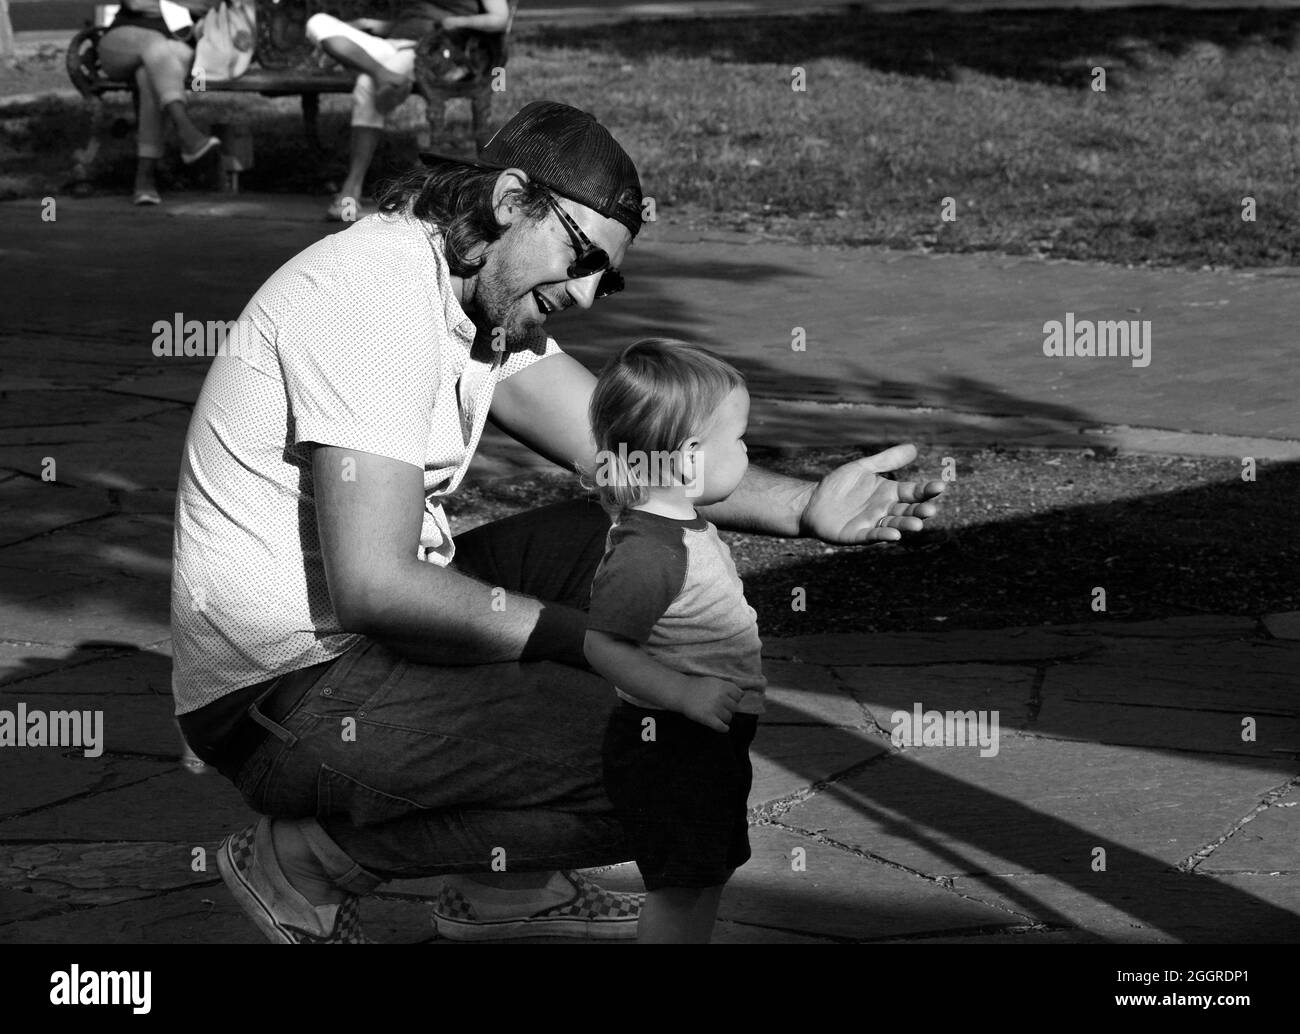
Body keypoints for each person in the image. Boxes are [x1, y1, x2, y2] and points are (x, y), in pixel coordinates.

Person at [170, 100, 946, 944]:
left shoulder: (475, 293)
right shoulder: (373, 297)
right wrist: (591, 647)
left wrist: (803, 504)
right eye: (580, 258)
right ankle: (309, 861)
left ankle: (504, 889)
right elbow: (376, 587)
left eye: (605, 278)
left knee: (629, 537)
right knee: (667, 759)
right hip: (283, 693)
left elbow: (632, 458)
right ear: (510, 200)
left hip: (342, 657)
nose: (584, 293)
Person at [584, 340, 765, 943]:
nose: (746, 450)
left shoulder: (681, 529)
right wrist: (682, 694)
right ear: (688, 459)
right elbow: (604, 646)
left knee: (703, 875)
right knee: (681, 884)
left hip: (703, 740)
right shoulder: (650, 553)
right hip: (674, 746)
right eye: (737, 439)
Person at [304, 0, 511, 221]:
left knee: (366, 86)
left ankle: (350, 190)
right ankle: (385, 76)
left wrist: (457, 22)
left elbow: (500, 18)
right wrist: (373, 24)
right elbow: (416, 15)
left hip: (433, 52)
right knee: (317, 23)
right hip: (389, 45)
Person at [97, 0, 221, 205]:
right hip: (122, 43)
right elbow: (137, 3)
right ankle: (185, 130)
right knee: (155, 44)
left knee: (148, 76)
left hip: (173, 49)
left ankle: (144, 179)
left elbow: (210, 5)